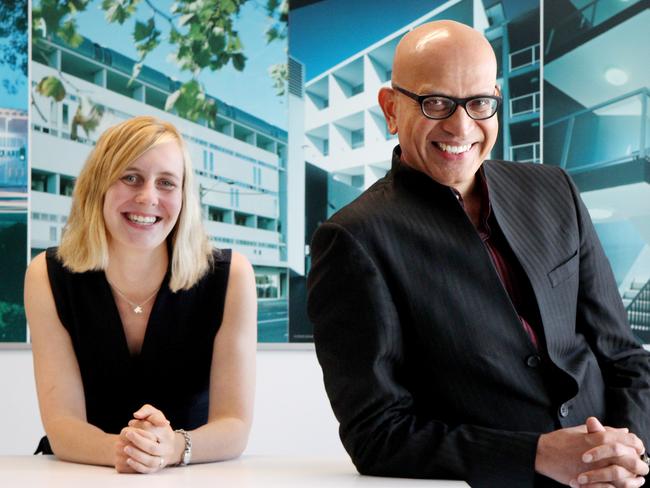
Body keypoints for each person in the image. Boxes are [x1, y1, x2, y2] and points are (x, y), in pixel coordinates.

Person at [307, 20, 650, 488]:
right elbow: (377, 434)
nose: (461, 126)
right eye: (436, 102)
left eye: (479, 103)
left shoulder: (556, 190)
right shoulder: (353, 239)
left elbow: (624, 357)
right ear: (391, 109)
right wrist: (535, 454)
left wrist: (625, 452)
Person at [24, 116, 257, 473]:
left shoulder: (232, 276)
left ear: (183, 197)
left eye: (166, 183)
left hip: (193, 474)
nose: (148, 197)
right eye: (130, 177)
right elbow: (62, 425)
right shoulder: (47, 274)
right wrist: (126, 450)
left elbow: (234, 427)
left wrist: (172, 447)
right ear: (98, 186)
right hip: (81, 474)